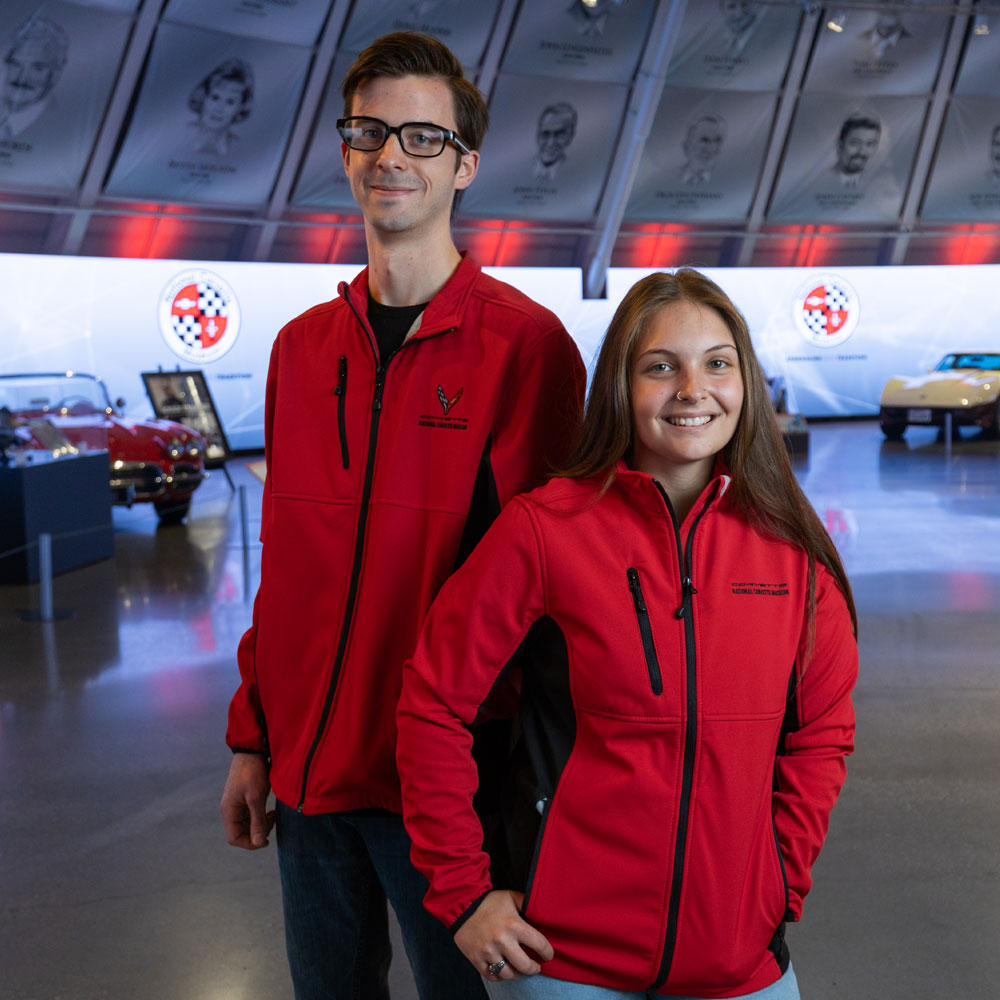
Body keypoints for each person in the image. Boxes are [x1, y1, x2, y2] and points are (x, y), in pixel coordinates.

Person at [219, 30, 586, 1000]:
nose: (391, 156)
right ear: (344, 151)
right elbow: (285, 568)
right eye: (370, 132)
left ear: (464, 164)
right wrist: (254, 734)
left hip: (448, 792)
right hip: (308, 783)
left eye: (421, 137)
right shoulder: (301, 350)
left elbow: (551, 601)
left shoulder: (528, 350)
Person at [397, 268, 858, 998]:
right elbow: (432, 702)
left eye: (717, 363)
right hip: (563, 961)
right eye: (660, 366)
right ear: (620, 383)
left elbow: (821, 733)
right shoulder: (545, 531)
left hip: (737, 961)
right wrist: (463, 894)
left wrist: (777, 882)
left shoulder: (794, 556)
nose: (691, 389)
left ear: (745, 383)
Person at [0, 15, 69, 142]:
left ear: (55, 75)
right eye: (16, 64)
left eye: (37, 68)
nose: (22, 77)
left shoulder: (63, 129)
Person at [187, 58, 254, 156]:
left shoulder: (242, 149)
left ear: (240, 107)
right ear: (203, 97)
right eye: (215, 98)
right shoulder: (176, 136)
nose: (219, 108)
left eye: (230, 102)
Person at [833, 113, 881, 188]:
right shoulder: (817, 181)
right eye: (855, 143)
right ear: (840, 146)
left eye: (869, 144)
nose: (862, 151)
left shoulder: (880, 184)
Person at [680, 113, 726, 185]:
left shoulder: (730, 179)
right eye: (705, 140)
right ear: (687, 145)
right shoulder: (665, 177)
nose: (712, 148)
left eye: (718, 140)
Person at [534, 103, 577, 180]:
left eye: (559, 135)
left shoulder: (577, 174)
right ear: (538, 135)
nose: (551, 143)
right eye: (545, 134)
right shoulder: (517, 169)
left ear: (570, 137)